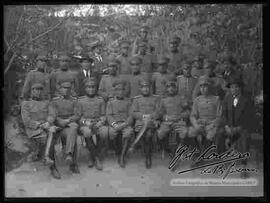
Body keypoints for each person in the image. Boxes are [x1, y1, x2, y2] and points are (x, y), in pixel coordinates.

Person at [21, 83, 59, 179]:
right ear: (31, 91)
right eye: (35, 89)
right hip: (34, 130)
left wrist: (48, 122)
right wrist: (41, 125)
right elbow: (26, 121)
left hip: (46, 126)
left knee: (52, 132)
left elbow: (52, 114)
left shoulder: (47, 102)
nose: (38, 92)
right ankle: (52, 166)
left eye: (40, 90)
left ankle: (47, 158)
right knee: (49, 136)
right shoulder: (26, 104)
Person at [222, 77, 257, 178]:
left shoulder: (247, 100)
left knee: (243, 138)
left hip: (242, 128)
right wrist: (226, 126)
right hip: (229, 127)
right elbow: (223, 115)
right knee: (218, 134)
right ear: (230, 89)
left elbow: (250, 118)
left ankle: (243, 166)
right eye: (232, 87)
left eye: (237, 87)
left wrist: (238, 128)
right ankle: (222, 161)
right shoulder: (227, 98)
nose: (234, 89)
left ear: (240, 88)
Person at [49, 81, 80, 174]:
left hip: (68, 125)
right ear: (60, 89)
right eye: (64, 88)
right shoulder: (54, 101)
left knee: (74, 127)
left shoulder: (74, 101)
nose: (66, 90)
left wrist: (68, 121)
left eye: (68, 88)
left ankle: (69, 156)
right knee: (73, 131)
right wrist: (60, 121)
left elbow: (77, 115)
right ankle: (70, 158)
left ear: (71, 90)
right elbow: (52, 115)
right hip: (58, 126)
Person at [76, 78, 106, 170]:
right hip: (86, 124)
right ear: (85, 88)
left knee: (104, 132)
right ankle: (96, 158)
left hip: (97, 122)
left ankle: (91, 156)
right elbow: (78, 117)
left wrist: (100, 122)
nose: (91, 89)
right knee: (87, 132)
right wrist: (86, 122)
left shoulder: (100, 100)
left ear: (96, 88)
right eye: (89, 87)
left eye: (93, 87)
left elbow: (103, 115)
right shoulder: (80, 101)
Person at [130, 78, 160, 169]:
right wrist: (143, 116)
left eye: (147, 87)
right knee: (147, 134)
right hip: (140, 123)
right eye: (143, 87)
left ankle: (148, 158)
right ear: (140, 88)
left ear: (150, 88)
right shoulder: (136, 99)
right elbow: (134, 113)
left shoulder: (156, 98)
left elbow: (159, 112)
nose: (145, 89)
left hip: (152, 121)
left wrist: (151, 116)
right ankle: (147, 154)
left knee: (148, 133)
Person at [189, 76, 223, 155]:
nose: (203, 88)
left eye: (205, 86)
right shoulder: (197, 100)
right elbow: (193, 115)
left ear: (210, 87)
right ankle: (197, 155)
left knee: (209, 136)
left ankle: (206, 155)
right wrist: (196, 125)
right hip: (200, 124)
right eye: (201, 86)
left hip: (212, 125)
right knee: (191, 133)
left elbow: (219, 116)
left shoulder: (216, 99)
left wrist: (212, 125)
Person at [157, 80, 191, 158]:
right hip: (167, 122)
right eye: (169, 87)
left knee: (184, 132)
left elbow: (188, 111)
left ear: (176, 88)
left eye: (173, 87)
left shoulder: (181, 98)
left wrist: (181, 116)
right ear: (166, 89)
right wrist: (164, 117)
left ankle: (179, 150)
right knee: (160, 134)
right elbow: (160, 112)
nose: (171, 89)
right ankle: (167, 149)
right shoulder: (163, 100)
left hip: (179, 121)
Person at [105, 80, 134, 168]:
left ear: (124, 91)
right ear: (115, 91)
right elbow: (109, 116)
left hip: (125, 124)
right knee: (111, 133)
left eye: (122, 90)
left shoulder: (129, 102)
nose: (120, 92)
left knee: (128, 133)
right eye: (118, 90)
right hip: (115, 124)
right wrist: (114, 125)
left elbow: (131, 115)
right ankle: (117, 151)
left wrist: (124, 124)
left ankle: (122, 156)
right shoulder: (110, 102)